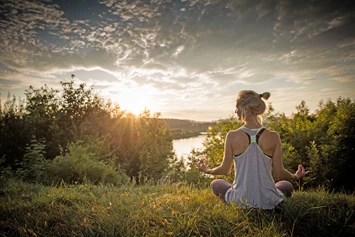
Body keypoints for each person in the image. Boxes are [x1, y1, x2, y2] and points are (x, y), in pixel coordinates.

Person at [197, 90, 309, 209]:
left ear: (245, 108)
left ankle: (239, 197)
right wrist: (295, 177)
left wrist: (207, 170)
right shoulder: (273, 136)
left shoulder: (232, 136)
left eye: (237, 107)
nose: (235, 111)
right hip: (268, 200)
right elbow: (279, 173)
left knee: (216, 184)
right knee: (286, 185)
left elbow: (225, 170)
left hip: (241, 200)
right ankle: (269, 195)